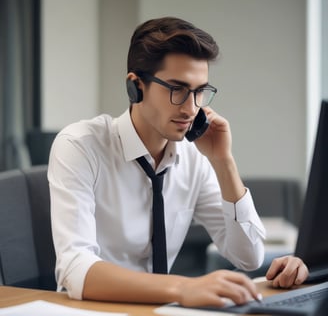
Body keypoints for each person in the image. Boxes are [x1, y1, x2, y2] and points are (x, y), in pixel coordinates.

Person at [48, 17, 308, 308]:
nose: (191, 108)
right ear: (135, 87)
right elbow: (75, 268)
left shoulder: (193, 158)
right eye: (177, 89)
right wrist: (183, 288)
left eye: (199, 92)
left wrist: (223, 160)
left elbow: (248, 256)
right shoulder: (80, 146)